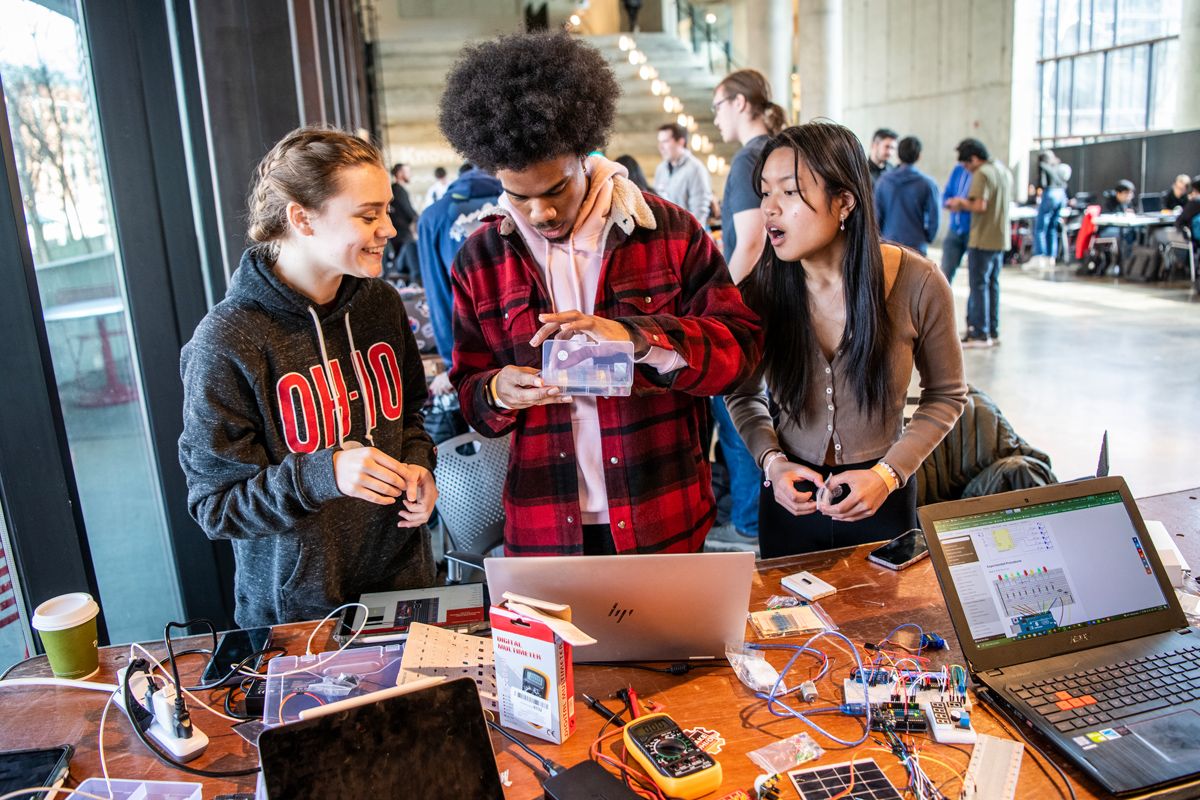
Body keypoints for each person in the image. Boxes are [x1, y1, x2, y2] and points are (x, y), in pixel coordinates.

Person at [437, 32, 762, 556]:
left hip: (664, 513)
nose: (540, 212)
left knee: (674, 642)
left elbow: (740, 353)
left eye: (556, 189)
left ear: (585, 157)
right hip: (546, 526)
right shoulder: (482, 259)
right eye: (519, 197)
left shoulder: (668, 232)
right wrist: (499, 391)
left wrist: (640, 338)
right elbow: (472, 396)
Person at [179, 127, 438, 627]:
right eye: (368, 215)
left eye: (386, 209)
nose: (389, 228)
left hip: (405, 588)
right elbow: (215, 507)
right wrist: (325, 474)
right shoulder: (228, 340)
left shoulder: (380, 303)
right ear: (302, 218)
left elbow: (409, 418)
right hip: (298, 615)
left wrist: (418, 464)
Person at [726, 122, 965, 557]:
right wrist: (772, 463)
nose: (770, 209)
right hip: (788, 502)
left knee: (884, 622)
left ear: (844, 201)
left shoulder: (918, 281)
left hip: (882, 497)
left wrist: (889, 474)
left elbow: (947, 395)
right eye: (764, 192)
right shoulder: (761, 292)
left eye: (790, 192)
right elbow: (742, 395)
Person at [711, 67, 785, 540]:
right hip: (778, 307)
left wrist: (714, 305)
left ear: (740, 103)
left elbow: (752, 242)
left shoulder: (748, 159)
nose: (715, 118)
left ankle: (749, 524)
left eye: (718, 106)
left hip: (751, 310)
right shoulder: (779, 151)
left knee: (736, 413)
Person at [417, 164, 503, 385]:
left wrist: (451, 363)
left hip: (470, 346)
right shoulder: (519, 200)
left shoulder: (433, 216)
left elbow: (438, 295)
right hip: (530, 344)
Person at [945, 138, 1010, 348]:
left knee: (978, 285)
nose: (967, 170)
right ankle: (992, 330)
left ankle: (979, 333)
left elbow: (980, 204)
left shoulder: (981, 173)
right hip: (999, 238)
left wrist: (959, 203)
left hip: (982, 238)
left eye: (967, 165)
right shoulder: (1002, 170)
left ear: (974, 159)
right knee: (992, 284)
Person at [873, 135, 939, 254]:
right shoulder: (927, 184)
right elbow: (934, 217)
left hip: (889, 243)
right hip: (916, 244)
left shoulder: (883, 181)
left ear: (898, 155)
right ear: (919, 156)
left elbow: (876, 215)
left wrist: (879, 238)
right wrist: (928, 237)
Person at [652, 123, 712, 225]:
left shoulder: (696, 169)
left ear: (681, 142)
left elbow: (699, 212)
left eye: (665, 141)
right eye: (659, 142)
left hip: (686, 236)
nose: (661, 147)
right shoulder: (660, 169)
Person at [940, 149, 974, 285]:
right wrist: (950, 203)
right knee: (944, 275)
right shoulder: (957, 171)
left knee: (975, 278)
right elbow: (945, 196)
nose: (964, 165)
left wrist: (962, 204)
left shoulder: (980, 174)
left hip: (973, 231)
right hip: (954, 229)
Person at [1032, 150, 1070, 266]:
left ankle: (1039, 256)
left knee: (1040, 227)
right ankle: (1051, 257)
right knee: (1052, 227)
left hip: (1050, 194)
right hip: (1061, 195)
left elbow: (1042, 184)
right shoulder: (1058, 166)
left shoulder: (1043, 165)